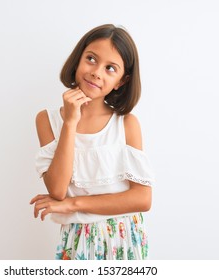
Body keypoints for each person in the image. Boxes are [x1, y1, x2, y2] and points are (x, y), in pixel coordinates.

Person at [30, 24, 155, 260]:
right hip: (76, 237)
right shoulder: (47, 120)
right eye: (91, 59)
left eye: (110, 68)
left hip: (123, 236)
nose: (97, 72)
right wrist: (70, 123)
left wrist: (73, 204)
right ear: (78, 60)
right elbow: (56, 190)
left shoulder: (126, 124)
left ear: (121, 81)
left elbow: (142, 198)